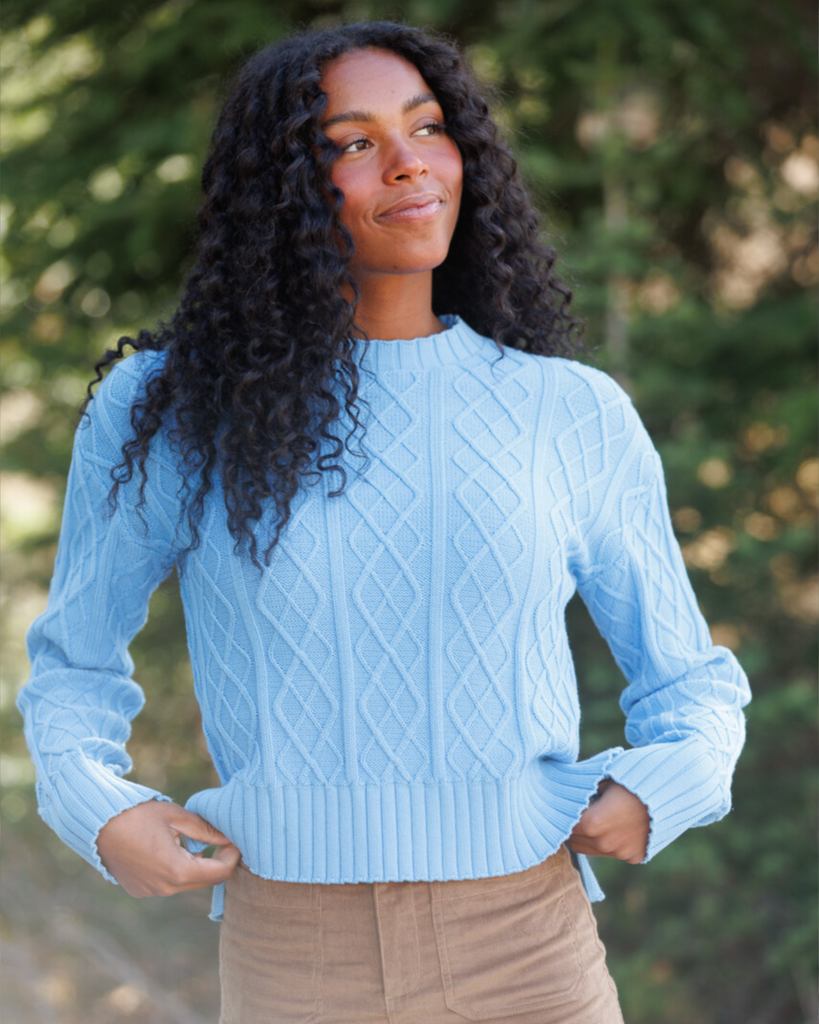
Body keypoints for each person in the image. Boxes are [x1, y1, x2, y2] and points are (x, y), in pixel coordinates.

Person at [17, 20, 751, 1024]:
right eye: (353, 142)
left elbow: (689, 681)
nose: (409, 165)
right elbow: (72, 668)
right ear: (282, 191)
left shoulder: (565, 409)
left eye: (428, 127)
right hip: (290, 958)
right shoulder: (175, 407)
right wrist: (97, 810)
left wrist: (668, 782)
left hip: (528, 950)